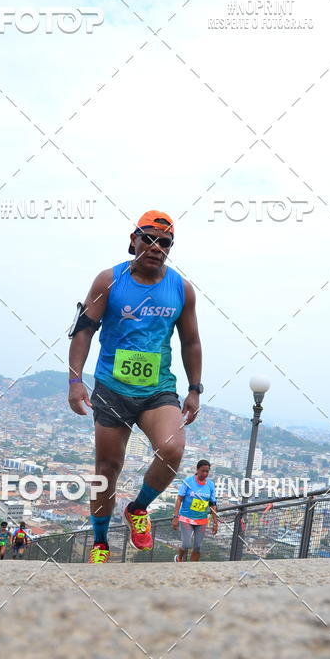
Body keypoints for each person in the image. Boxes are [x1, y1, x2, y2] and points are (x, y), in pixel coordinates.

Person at [68, 210, 202, 564]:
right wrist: (75, 380)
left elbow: (191, 341)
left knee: (172, 450)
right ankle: (99, 543)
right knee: (107, 470)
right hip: (112, 387)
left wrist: (195, 389)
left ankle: (138, 508)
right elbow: (83, 330)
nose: (157, 247)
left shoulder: (180, 288)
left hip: (157, 388)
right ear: (134, 240)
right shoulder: (108, 280)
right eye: (150, 239)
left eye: (165, 243)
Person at [172, 460, 218, 562]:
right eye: (203, 471)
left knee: (197, 546)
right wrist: (175, 517)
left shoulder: (210, 485)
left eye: (207, 471)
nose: (205, 474)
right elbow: (179, 499)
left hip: (201, 520)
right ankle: (179, 558)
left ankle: (192, 568)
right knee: (186, 544)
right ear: (197, 470)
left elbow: (213, 504)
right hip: (186, 518)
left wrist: (215, 522)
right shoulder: (188, 482)